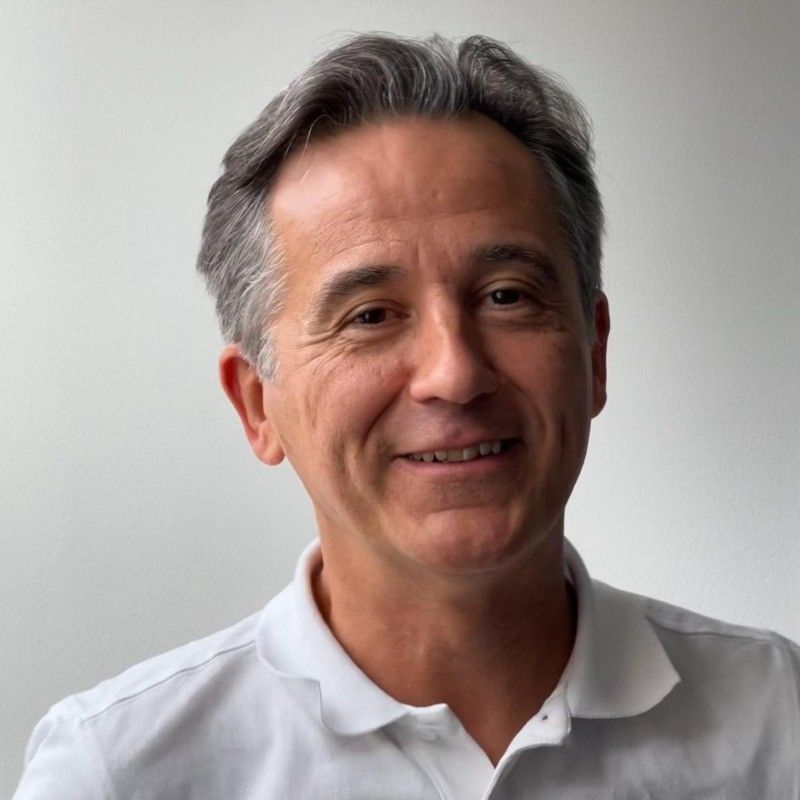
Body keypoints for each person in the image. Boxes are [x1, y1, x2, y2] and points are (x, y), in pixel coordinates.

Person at [14, 32, 799, 799]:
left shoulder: (779, 721)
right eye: (369, 316)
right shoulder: (117, 773)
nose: (454, 374)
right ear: (257, 405)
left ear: (594, 354)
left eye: (507, 297)